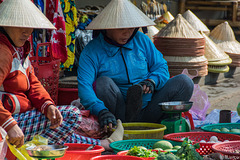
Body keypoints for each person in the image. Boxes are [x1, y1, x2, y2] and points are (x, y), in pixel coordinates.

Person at [0, 0, 123, 151]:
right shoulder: (3, 52)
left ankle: (104, 145)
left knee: (58, 124)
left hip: (19, 116)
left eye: (29, 26)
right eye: (20, 26)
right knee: (71, 115)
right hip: (6, 122)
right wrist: (9, 124)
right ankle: (34, 150)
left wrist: (48, 105)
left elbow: (33, 83)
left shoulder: (19, 49)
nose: (27, 31)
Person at [77, 0, 194, 129]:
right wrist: (101, 110)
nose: (126, 33)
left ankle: (162, 124)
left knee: (184, 82)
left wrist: (152, 81)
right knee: (103, 83)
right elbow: (84, 87)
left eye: (130, 28)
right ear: (107, 27)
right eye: (121, 29)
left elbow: (161, 67)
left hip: (150, 109)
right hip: (117, 114)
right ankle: (119, 126)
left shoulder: (142, 40)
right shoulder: (92, 51)